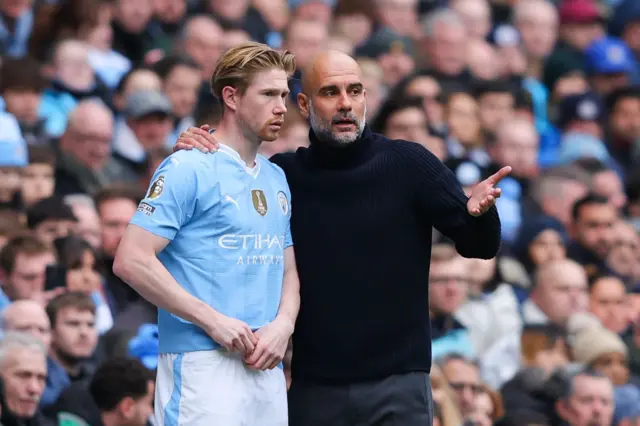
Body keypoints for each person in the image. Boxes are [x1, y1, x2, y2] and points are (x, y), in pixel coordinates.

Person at [176, 49, 511, 425]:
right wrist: (201, 148)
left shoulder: (409, 164)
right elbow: (219, 203)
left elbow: (479, 245)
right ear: (304, 103)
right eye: (331, 92)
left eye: (355, 90)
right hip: (315, 387)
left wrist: (480, 213)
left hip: (398, 385)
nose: (346, 104)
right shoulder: (280, 176)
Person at [112, 41, 300, 426]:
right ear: (231, 97)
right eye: (268, 94)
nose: (282, 106)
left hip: (265, 367)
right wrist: (211, 320)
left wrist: (283, 326)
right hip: (201, 363)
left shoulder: (276, 176)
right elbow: (130, 259)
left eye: (283, 94)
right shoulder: (187, 167)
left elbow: (288, 270)